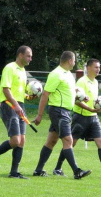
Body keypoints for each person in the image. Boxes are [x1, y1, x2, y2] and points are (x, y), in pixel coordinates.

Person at [53, 59, 101, 179]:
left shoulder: (95, 82)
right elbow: (76, 100)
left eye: (99, 68)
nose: (98, 70)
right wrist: (90, 109)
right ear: (89, 68)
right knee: (71, 143)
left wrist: (97, 109)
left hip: (93, 118)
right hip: (80, 117)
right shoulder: (82, 82)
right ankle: (58, 168)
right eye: (96, 67)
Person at [32, 51, 92, 179]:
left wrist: (82, 96)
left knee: (51, 141)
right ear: (70, 61)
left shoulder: (69, 75)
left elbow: (70, 91)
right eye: (74, 60)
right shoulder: (56, 74)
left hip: (64, 112)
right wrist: (39, 115)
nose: (75, 63)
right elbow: (45, 94)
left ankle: (38, 170)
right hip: (59, 111)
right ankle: (77, 171)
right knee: (68, 140)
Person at [0, 46, 32, 179]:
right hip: (10, 105)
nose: (30, 58)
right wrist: (15, 105)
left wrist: (28, 96)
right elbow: (5, 89)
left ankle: (14, 172)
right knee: (15, 140)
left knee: (22, 141)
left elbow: (19, 91)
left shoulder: (23, 70)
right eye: (28, 56)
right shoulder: (10, 68)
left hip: (19, 105)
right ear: (20, 55)